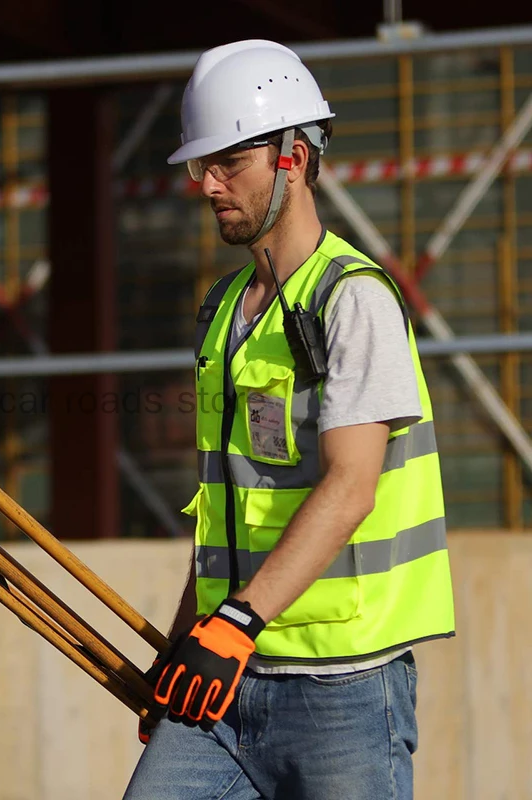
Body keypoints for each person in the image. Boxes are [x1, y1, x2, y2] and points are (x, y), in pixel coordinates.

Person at [123, 40, 455, 800]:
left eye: (229, 162)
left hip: (342, 691)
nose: (207, 184)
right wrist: (189, 638)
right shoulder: (222, 316)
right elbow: (228, 506)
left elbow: (352, 487)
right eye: (199, 166)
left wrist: (234, 623)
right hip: (227, 677)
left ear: (293, 157)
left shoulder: (353, 299)